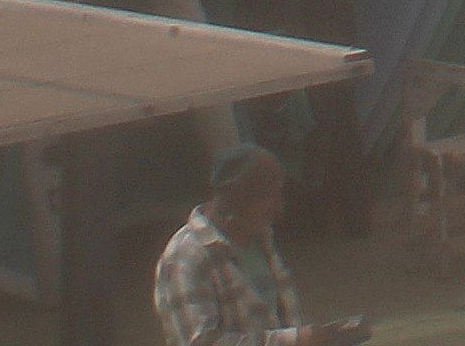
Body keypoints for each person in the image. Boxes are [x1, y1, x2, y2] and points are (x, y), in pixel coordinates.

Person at [153, 145, 368, 346]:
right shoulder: (185, 258)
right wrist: (294, 339)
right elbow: (201, 342)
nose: (279, 209)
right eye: (270, 196)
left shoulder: (260, 237)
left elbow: (278, 319)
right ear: (238, 197)